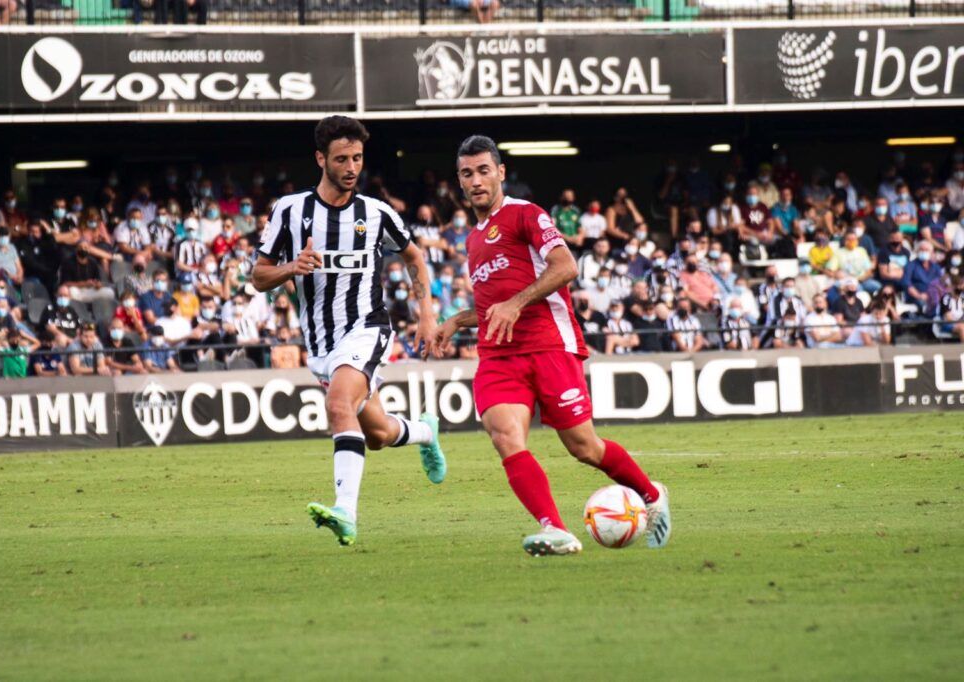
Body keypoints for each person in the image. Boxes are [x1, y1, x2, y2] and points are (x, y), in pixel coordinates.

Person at [431, 134, 670, 556]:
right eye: (467, 174)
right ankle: (555, 529)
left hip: (549, 346)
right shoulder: (472, 240)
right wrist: (456, 320)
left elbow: (566, 267)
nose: (476, 181)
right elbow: (493, 306)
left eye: (484, 170)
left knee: (584, 447)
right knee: (505, 435)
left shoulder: (526, 214)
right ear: (460, 181)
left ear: (501, 172)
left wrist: (517, 303)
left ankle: (652, 495)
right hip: (499, 354)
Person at [252, 116, 446, 547]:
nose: (351, 167)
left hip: (367, 328)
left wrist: (427, 316)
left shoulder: (376, 213)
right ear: (321, 159)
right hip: (320, 342)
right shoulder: (290, 211)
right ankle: (425, 433)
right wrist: (290, 267)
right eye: (342, 158)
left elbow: (415, 257)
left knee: (338, 405)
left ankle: (346, 512)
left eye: (357, 158)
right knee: (376, 434)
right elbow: (258, 276)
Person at [938, 275, 964, 341]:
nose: (959, 288)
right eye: (957, 286)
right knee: (962, 328)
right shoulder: (946, 299)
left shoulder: (962, 298)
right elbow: (948, 318)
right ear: (952, 286)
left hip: (961, 322)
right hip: (948, 324)